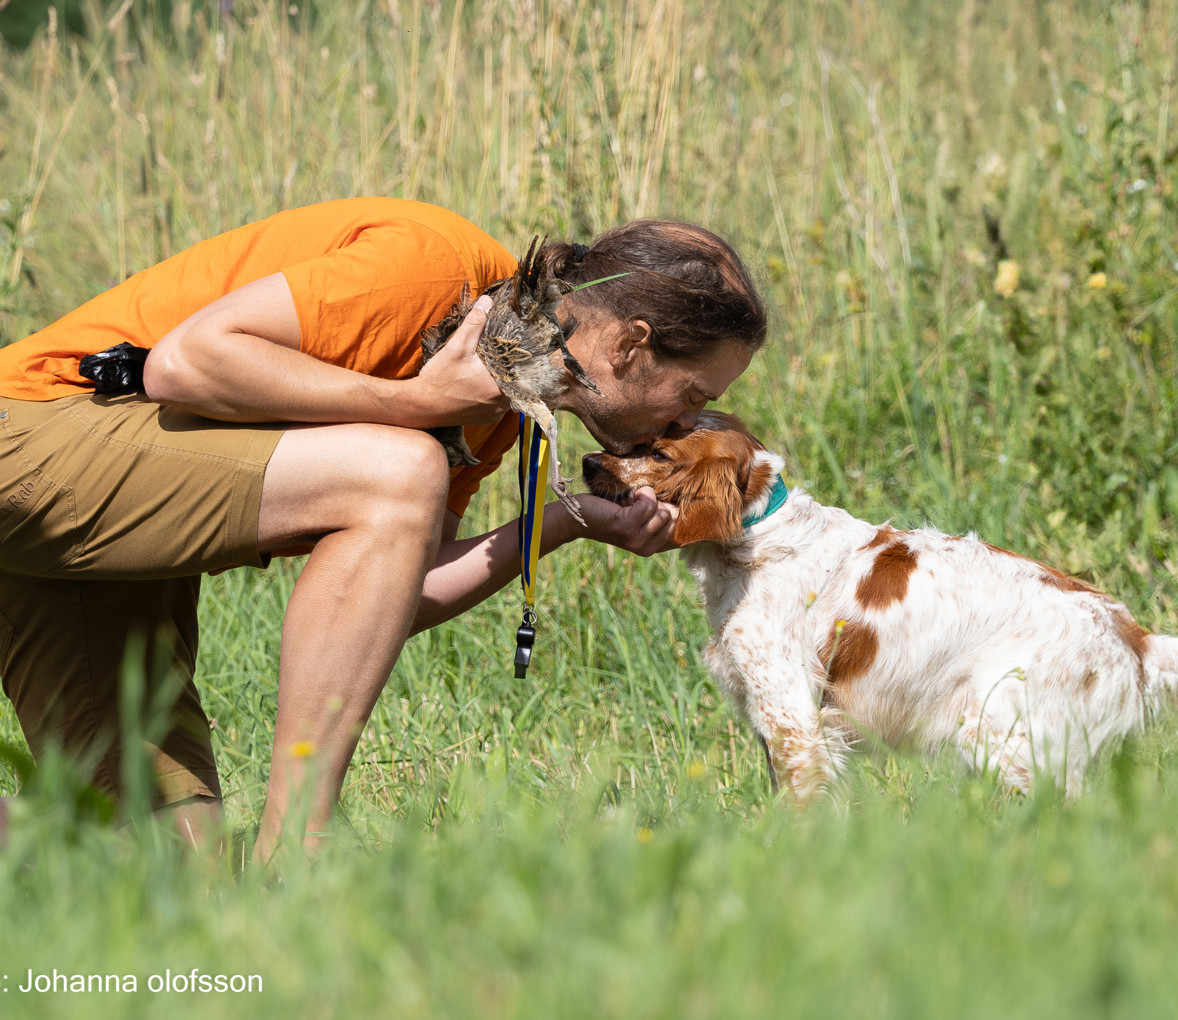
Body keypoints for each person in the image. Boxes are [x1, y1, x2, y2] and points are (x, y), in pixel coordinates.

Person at [0, 197, 766, 858]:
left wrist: (559, 524)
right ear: (631, 344)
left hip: (95, 526)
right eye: (692, 395)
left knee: (165, 871)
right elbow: (184, 363)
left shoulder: (499, 395)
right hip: (32, 433)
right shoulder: (438, 271)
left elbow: (397, 589)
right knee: (401, 467)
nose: (687, 421)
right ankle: (297, 855)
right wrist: (414, 405)